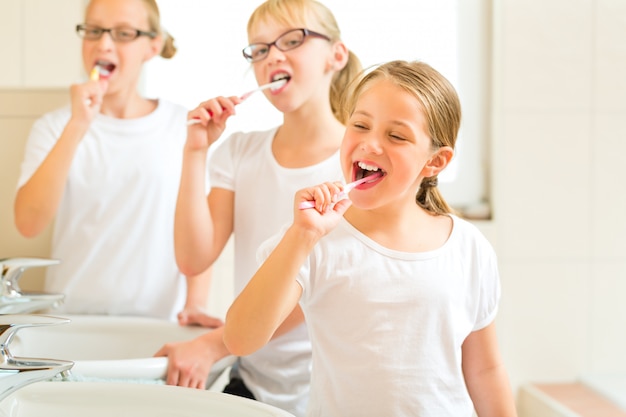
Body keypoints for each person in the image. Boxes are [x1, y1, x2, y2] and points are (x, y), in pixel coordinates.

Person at [223, 60, 518, 416]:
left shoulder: (468, 248)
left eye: (396, 135)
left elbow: (485, 370)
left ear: (435, 162)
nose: (370, 144)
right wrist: (302, 235)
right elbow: (240, 338)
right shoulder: (316, 242)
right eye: (360, 125)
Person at [154, 0, 361, 414]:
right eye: (260, 49)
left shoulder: (358, 163)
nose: (273, 57)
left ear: (336, 55)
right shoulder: (240, 152)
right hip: (251, 381)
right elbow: (193, 258)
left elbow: (324, 285)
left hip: (332, 388)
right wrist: (196, 150)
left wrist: (215, 345)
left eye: (292, 40)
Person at [13, 0, 220, 326]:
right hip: (69, 323)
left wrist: (195, 305)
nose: (104, 44)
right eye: (93, 31)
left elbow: (199, 229)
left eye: (123, 33)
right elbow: (28, 223)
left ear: (152, 45)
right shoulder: (53, 127)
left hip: (155, 326)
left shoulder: (184, 126)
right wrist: (78, 124)